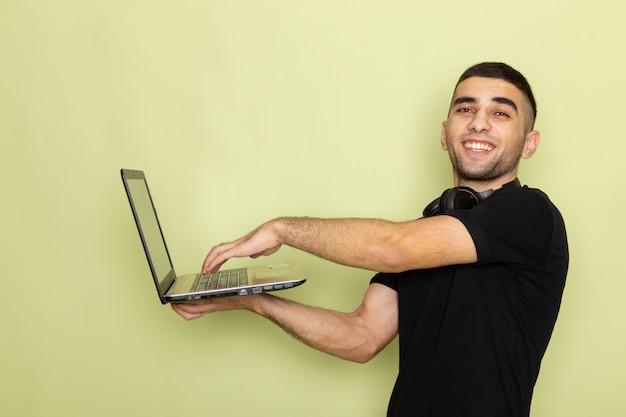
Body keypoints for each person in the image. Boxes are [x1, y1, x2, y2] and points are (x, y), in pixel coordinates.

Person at [172, 62, 569, 417]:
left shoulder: (531, 215)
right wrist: (255, 300)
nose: (479, 122)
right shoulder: (432, 225)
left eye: (500, 112)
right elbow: (361, 336)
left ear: (529, 143)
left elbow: (393, 248)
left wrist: (281, 229)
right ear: (445, 134)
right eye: (466, 109)